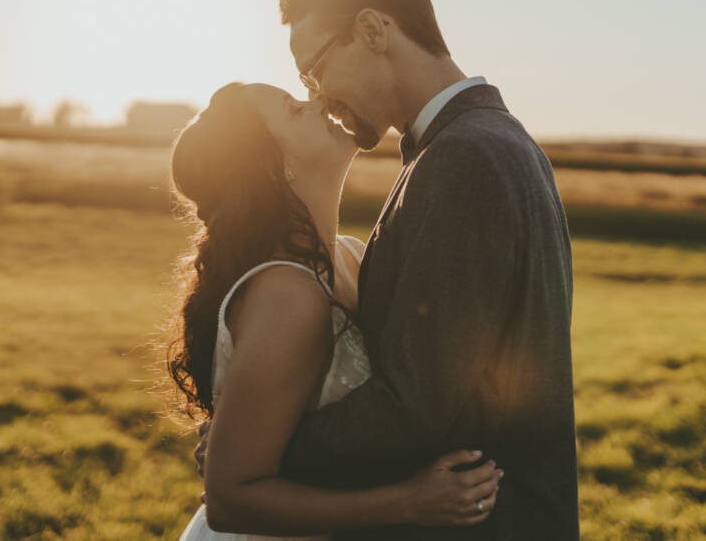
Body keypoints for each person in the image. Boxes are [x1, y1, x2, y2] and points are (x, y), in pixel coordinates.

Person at [197, 0, 579, 539]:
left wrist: (258, 453)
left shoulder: (464, 157)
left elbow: (415, 408)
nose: (320, 94)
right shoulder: (482, 143)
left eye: (314, 68)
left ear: (373, 30)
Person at [170, 81, 502, 540]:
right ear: (272, 169)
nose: (318, 102)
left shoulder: (353, 258)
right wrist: (413, 501)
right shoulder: (286, 294)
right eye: (293, 108)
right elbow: (229, 500)